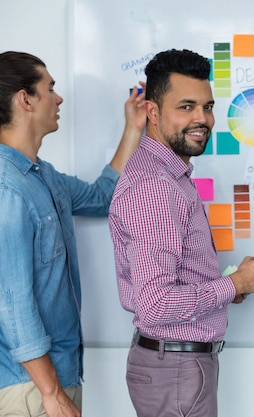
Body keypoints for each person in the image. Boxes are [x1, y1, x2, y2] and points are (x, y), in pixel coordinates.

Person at [108, 48, 254, 417]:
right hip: (177, 369)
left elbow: (168, 284)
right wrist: (236, 285)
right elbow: (154, 306)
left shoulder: (171, 177)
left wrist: (232, 284)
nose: (202, 118)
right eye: (185, 107)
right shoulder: (157, 187)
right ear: (152, 112)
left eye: (207, 106)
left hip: (178, 367)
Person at [0, 51, 146, 416]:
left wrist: (133, 128)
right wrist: (50, 392)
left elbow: (103, 197)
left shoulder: (44, 177)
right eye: (50, 88)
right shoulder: (7, 188)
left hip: (57, 378)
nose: (58, 98)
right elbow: (11, 301)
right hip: (31, 388)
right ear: (25, 99)